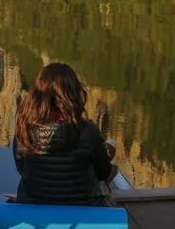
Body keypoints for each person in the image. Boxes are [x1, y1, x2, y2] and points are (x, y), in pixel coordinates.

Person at [12, 62, 116, 205]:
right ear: (73, 93)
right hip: (82, 209)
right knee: (111, 160)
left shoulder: (24, 128)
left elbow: (22, 170)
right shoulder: (88, 130)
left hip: (35, 207)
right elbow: (103, 173)